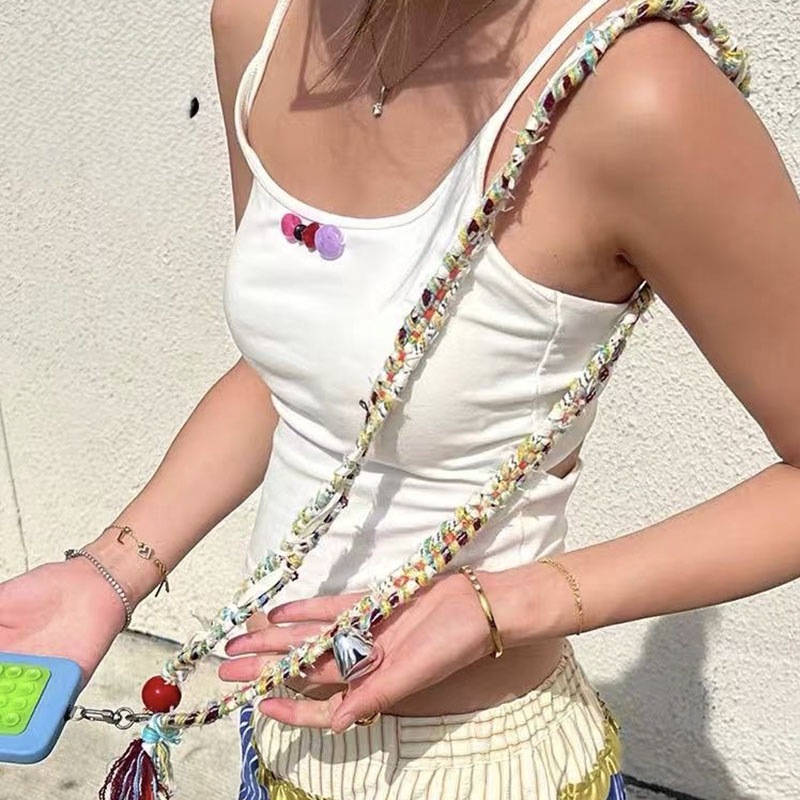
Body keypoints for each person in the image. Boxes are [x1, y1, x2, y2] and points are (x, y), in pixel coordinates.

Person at [1, 0, 798, 798]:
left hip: (484, 768)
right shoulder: (262, 27)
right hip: (272, 741)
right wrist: (108, 573)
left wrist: (506, 605)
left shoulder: (633, 92)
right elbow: (303, 374)